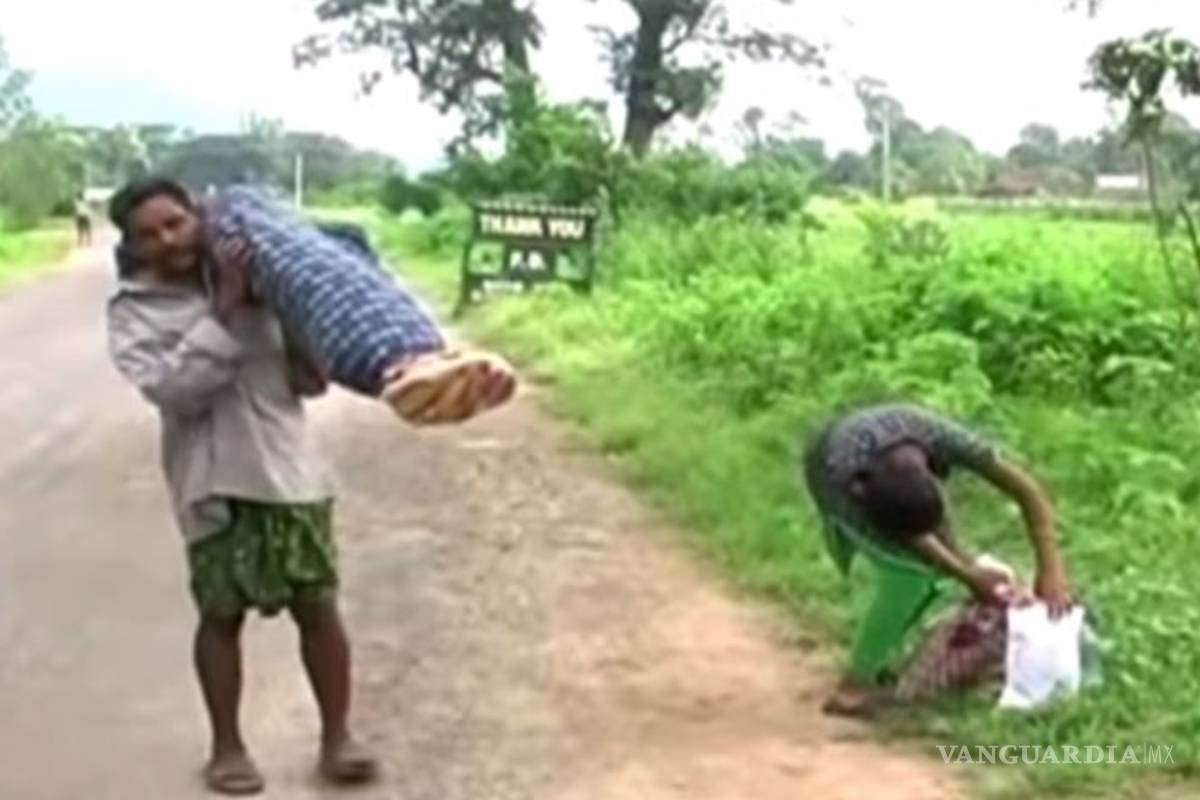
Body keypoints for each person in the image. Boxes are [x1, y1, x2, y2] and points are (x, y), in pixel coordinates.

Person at [105, 178, 380, 794]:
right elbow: (173, 391)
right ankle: (227, 748)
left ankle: (338, 738)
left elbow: (309, 385)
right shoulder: (134, 310)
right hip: (212, 481)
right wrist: (225, 311)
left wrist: (305, 343)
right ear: (132, 247)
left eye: (175, 223)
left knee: (318, 607)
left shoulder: (264, 281)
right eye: (148, 235)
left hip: (291, 471)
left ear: (198, 217)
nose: (167, 240)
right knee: (220, 615)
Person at [802, 403, 1074, 717]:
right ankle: (853, 689)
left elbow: (1027, 491)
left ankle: (877, 665)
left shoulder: (944, 438)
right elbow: (915, 539)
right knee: (908, 576)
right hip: (832, 473)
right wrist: (968, 575)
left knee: (932, 572)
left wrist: (1052, 569)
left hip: (889, 470)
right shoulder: (847, 481)